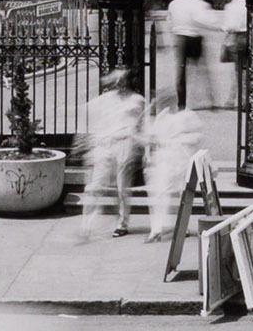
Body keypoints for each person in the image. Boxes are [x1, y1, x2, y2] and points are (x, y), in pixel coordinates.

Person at [78, 75, 146, 239]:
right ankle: (87, 224)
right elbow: (88, 110)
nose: (119, 84)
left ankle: (122, 224)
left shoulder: (137, 100)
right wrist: (88, 143)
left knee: (122, 188)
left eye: (122, 80)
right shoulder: (106, 99)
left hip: (125, 144)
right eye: (117, 81)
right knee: (96, 185)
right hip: (105, 145)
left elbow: (140, 125)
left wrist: (141, 150)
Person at [143, 93, 203, 242]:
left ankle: (182, 226)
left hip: (180, 158)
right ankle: (156, 229)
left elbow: (197, 136)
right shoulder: (161, 118)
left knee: (180, 194)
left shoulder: (187, 116)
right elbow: (151, 137)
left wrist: (183, 143)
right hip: (164, 159)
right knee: (160, 193)